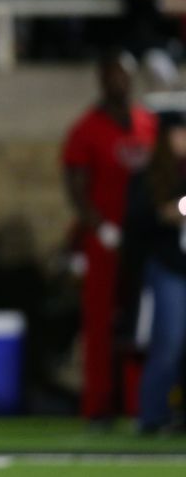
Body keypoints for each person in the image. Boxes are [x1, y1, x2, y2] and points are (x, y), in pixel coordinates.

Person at [61, 48, 157, 422]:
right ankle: (98, 406)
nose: (120, 81)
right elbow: (76, 185)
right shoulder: (86, 129)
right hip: (105, 238)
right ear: (101, 78)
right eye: (113, 73)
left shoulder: (147, 123)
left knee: (142, 324)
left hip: (144, 238)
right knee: (100, 322)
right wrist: (99, 226)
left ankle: (138, 404)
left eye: (125, 74)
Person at [123, 110, 186, 434]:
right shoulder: (151, 174)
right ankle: (152, 415)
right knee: (169, 340)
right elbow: (138, 219)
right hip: (167, 266)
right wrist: (169, 212)